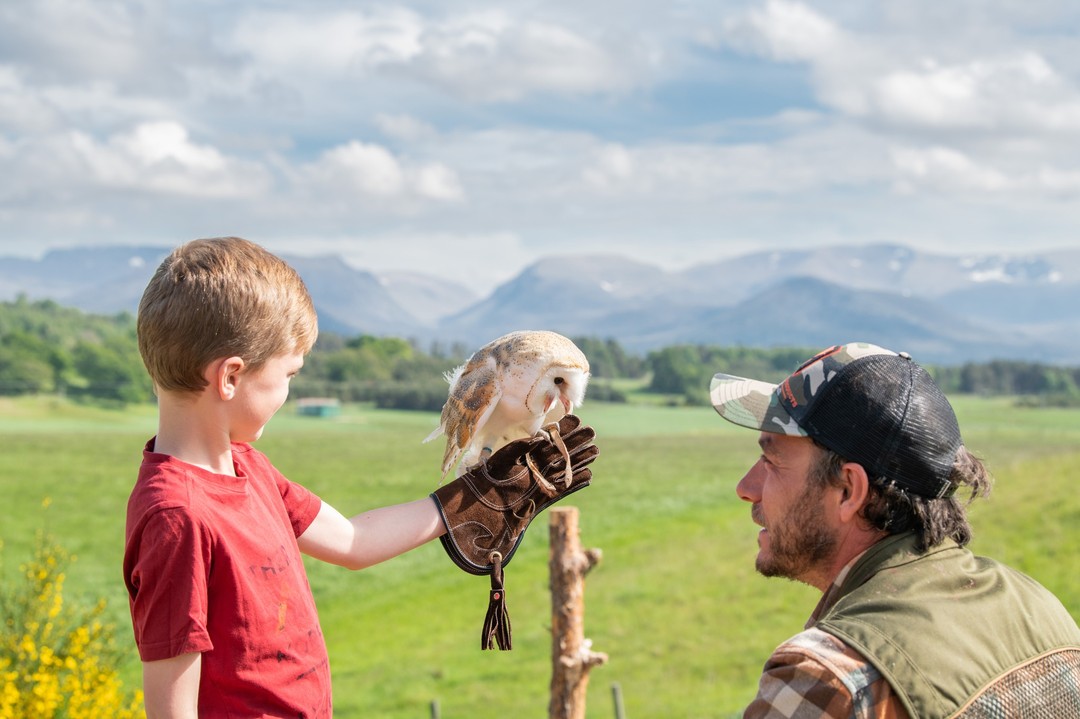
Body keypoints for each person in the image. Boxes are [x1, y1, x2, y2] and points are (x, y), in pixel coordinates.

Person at [123, 237, 597, 717]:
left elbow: (353, 542)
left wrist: (477, 495)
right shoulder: (177, 516)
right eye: (289, 374)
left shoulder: (248, 468)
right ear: (230, 376)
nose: (290, 388)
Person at [709, 342, 1080, 718]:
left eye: (771, 461)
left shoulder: (829, 679)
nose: (746, 487)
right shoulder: (1039, 608)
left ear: (848, 490)